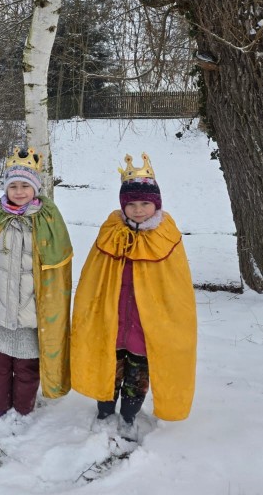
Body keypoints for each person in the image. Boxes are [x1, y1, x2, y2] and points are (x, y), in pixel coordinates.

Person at [70, 153, 197, 440]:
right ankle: (104, 411)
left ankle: (129, 415)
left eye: (145, 203)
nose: (138, 210)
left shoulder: (167, 237)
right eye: (132, 204)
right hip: (112, 322)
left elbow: (176, 289)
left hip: (145, 327)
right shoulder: (111, 233)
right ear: (123, 205)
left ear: (156, 204)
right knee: (108, 371)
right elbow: (94, 279)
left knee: (137, 377)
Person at [0, 147, 73, 417]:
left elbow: (56, 274)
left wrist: (52, 312)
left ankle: (23, 411)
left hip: (31, 315)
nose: (19, 191)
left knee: (26, 368)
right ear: (6, 188)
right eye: (14, 186)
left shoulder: (47, 220)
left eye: (25, 185)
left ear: (35, 188)